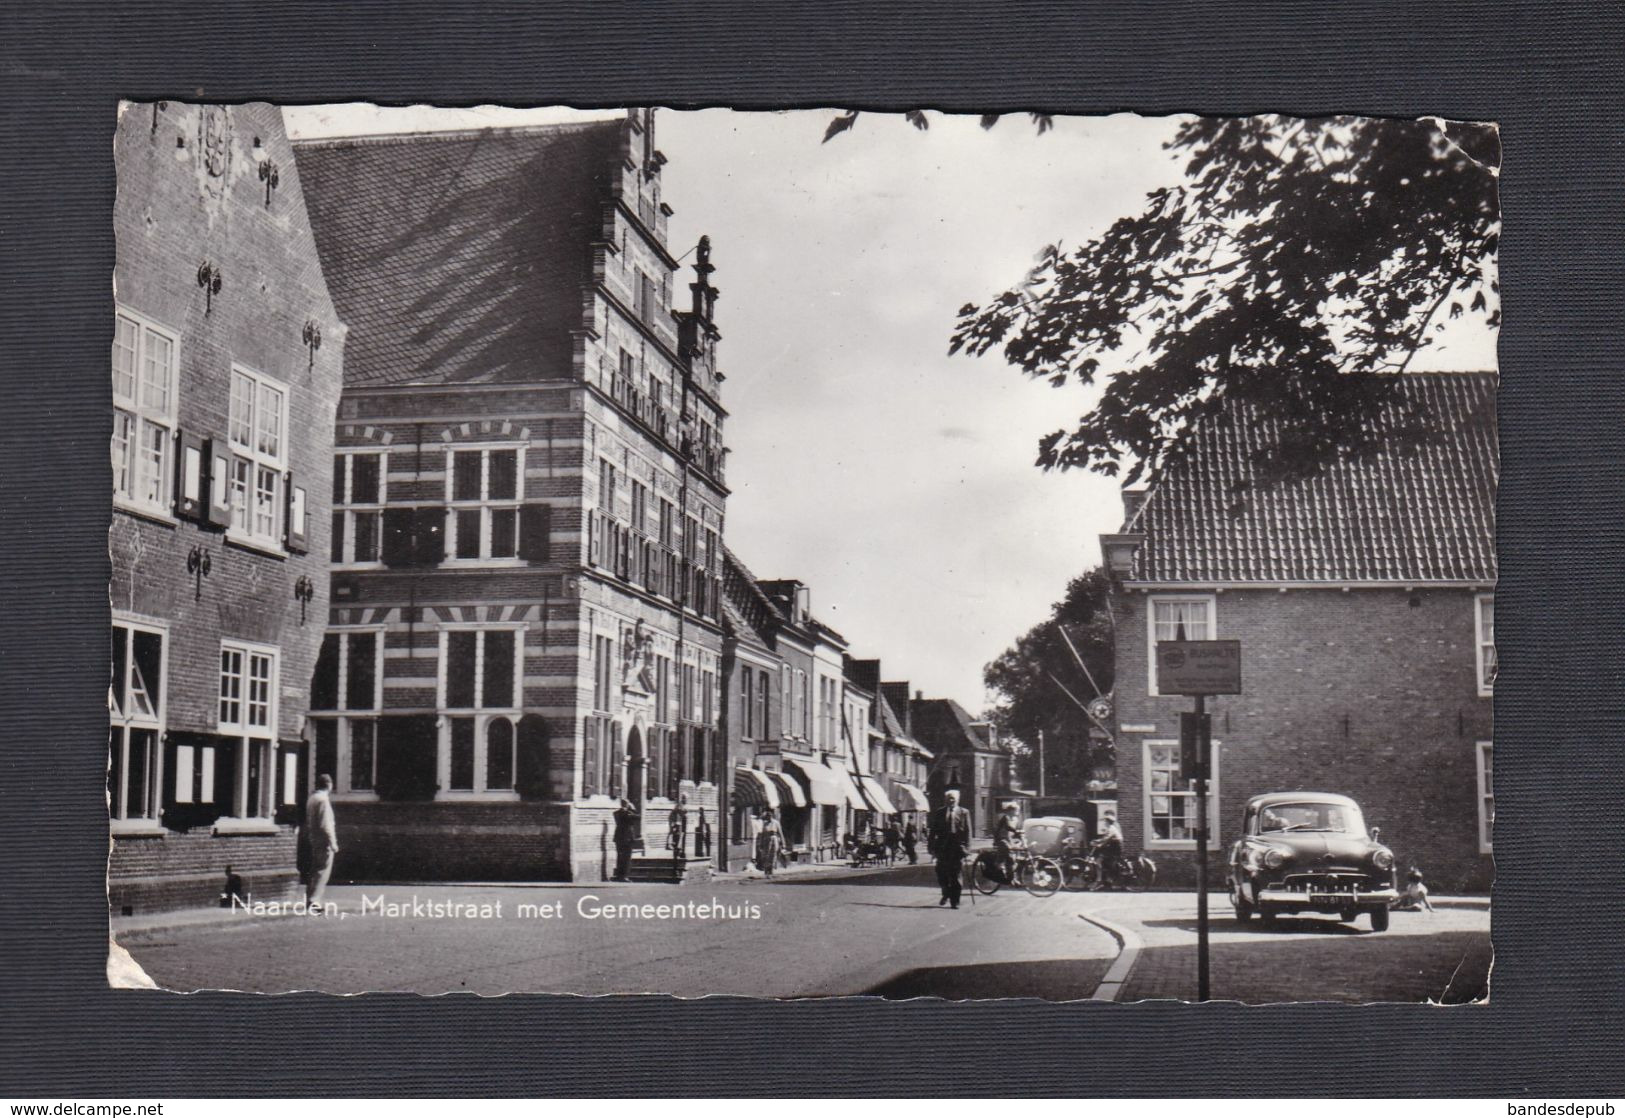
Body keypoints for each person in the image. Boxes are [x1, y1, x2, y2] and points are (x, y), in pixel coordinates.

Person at [927, 789, 972, 909]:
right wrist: (931, 847)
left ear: (957, 800)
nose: (951, 800)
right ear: (945, 800)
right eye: (949, 798)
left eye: (953, 798)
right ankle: (946, 893)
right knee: (941, 873)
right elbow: (933, 831)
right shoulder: (940, 812)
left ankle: (955, 901)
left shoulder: (964, 812)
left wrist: (967, 849)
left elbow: (968, 832)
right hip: (942, 848)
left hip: (957, 848)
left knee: (956, 875)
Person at [302, 774, 339, 908]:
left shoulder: (312, 798)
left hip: (313, 838)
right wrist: (333, 842)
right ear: (329, 785)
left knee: (315, 869)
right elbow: (326, 824)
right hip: (323, 841)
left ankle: (309, 897)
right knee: (323, 870)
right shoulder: (323, 800)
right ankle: (314, 900)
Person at [992, 801, 1025, 883]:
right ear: (1010, 810)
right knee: (1009, 856)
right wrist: (1017, 831)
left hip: (1009, 839)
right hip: (1001, 839)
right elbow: (1008, 827)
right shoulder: (1005, 817)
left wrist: (1020, 836)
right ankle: (1000, 867)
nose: (1017, 812)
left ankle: (1012, 878)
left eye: (1018, 810)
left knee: (1014, 859)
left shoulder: (1015, 819)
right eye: (1016, 810)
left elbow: (1014, 832)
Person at [611, 797, 639, 881]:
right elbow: (638, 817)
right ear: (627, 804)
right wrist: (633, 808)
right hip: (627, 838)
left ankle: (619, 875)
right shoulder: (628, 813)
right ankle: (624, 876)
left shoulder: (616, 813)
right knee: (627, 858)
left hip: (618, 837)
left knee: (619, 856)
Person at [1095, 809, 1127, 883]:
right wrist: (1100, 842)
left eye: (1106, 820)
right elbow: (1106, 838)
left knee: (1100, 859)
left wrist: (1099, 843)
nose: (1105, 822)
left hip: (1116, 846)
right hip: (1116, 845)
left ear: (1108, 821)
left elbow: (1107, 838)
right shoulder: (1114, 826)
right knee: (1108, 860)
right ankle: (1108, 878)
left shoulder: (1112, 828)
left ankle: (1101, 879)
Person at [755, 807, 785, 880]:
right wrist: (761, 843)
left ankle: (771, 871)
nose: (769, 816)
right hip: (766, 840)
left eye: (770, 815)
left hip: (774, 839)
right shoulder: (765, 823)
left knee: (773, 855)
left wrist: (783, 843)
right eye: (768, 815)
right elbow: (762, 833)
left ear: (772, 815)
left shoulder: (776, 823)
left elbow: (780, 833)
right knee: (766, 855)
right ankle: (766, 871)